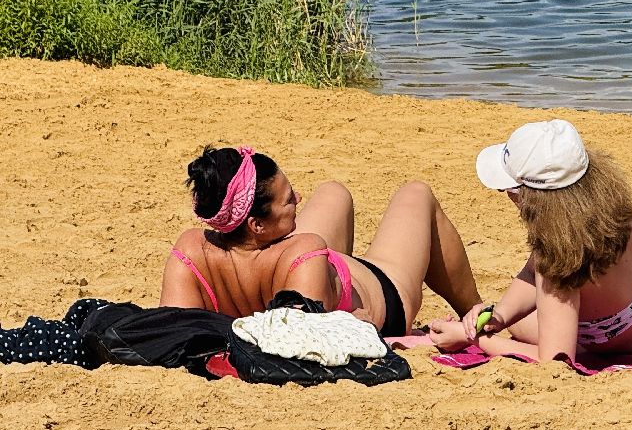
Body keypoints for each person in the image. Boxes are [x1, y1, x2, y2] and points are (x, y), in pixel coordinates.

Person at [427, 119, 632, 362]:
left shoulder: (559, 258)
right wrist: (499, 315)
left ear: (526, 196)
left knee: (526, 325)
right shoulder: (601, 204)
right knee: (519, 317)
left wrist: (473, 340)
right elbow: (533, 270)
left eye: (509, 190)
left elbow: (555, 359)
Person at [160, 145, 481, 339]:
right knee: (417, 194)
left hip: (305, 271)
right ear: (257, 224)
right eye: (289, 200)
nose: (299, 198)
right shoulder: (305, 252)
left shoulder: (190, 251)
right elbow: (308, 343)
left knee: (332, 191)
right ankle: (476, 315)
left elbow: (173, 332)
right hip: (382, 292)